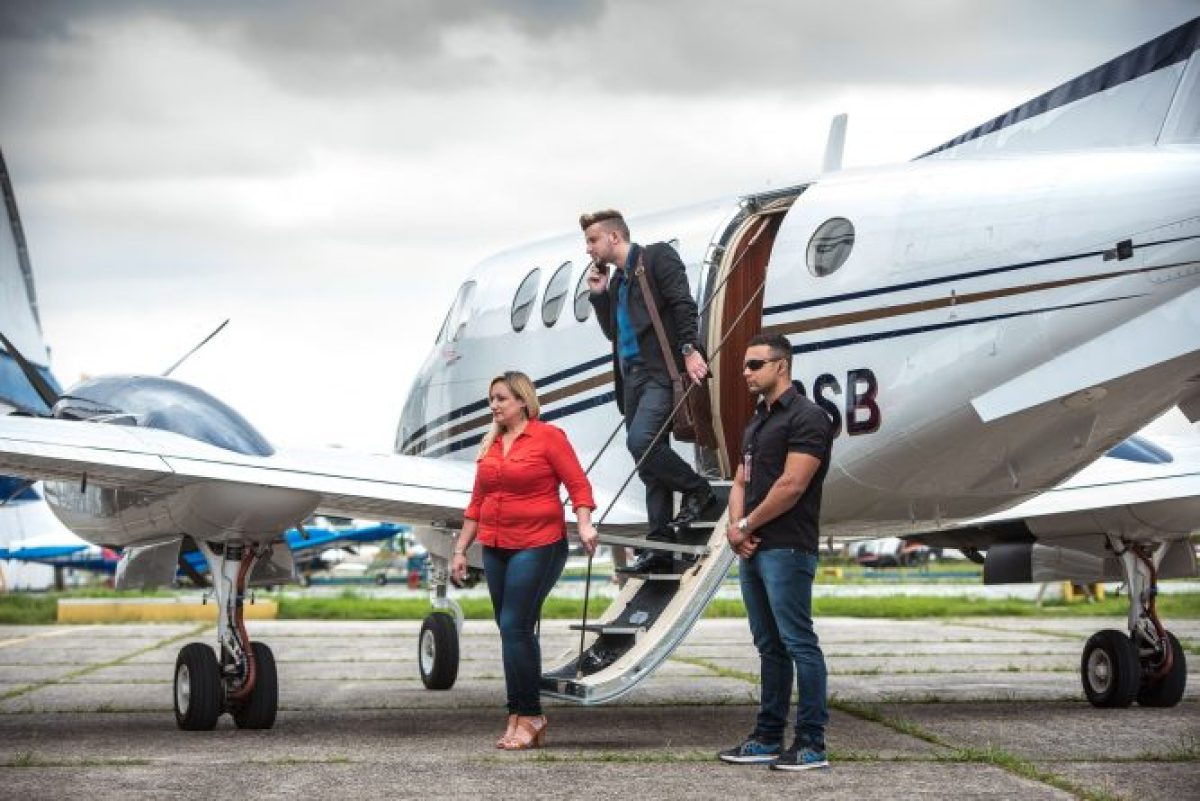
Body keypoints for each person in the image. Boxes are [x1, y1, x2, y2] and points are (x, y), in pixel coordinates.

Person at [450, 371, 599, 750]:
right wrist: (460, 549)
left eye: (501, 398)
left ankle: (531, 714)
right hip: (495, 546)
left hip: (538, 543)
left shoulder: (548, 437)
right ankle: (516, 715)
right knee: (510, 629)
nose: (494, 406)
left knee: (515, 625)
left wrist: (584, 524)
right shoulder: (491, 444)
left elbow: (578, 485)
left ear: (522, 400)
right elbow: (477, 503)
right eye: (492, 399)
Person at [718, 333, 834, 771]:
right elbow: (740, 481)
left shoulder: (809, 417)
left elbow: (792, 485)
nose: (745, 372)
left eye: (754, 365)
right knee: (769, 646)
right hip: (754, 548)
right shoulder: (757, 421)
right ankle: (767, 737)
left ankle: (811, 743)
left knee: (799, 642)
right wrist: (735, 528)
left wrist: (746, 525)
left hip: (787, 547)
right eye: (745, 365)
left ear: (781, 366)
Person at [581, 208, 715, 574]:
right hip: (632, 381)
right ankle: (660, 546)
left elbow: (682, 303)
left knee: (641, 442)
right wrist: (599, 295)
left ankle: (697, 488)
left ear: (614, 237)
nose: (588, 249)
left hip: (659, 373)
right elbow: (613, 333)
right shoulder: (618, 281)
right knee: (649, 464)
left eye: (592, 240)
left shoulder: (656, 258)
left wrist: (689, 349)